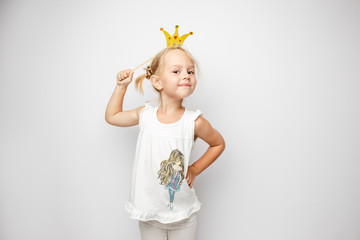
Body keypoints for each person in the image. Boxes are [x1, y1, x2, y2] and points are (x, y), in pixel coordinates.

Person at [105, 47, 225, 240]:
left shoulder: (194, 121)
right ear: (157, 82)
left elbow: (218, 144)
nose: (186, 75)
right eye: (176, 71)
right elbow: (112, 116)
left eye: (190, 71)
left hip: (183, 216)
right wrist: (121, 87)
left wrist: (194, 169)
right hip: (149, 213)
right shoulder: (145, 115)